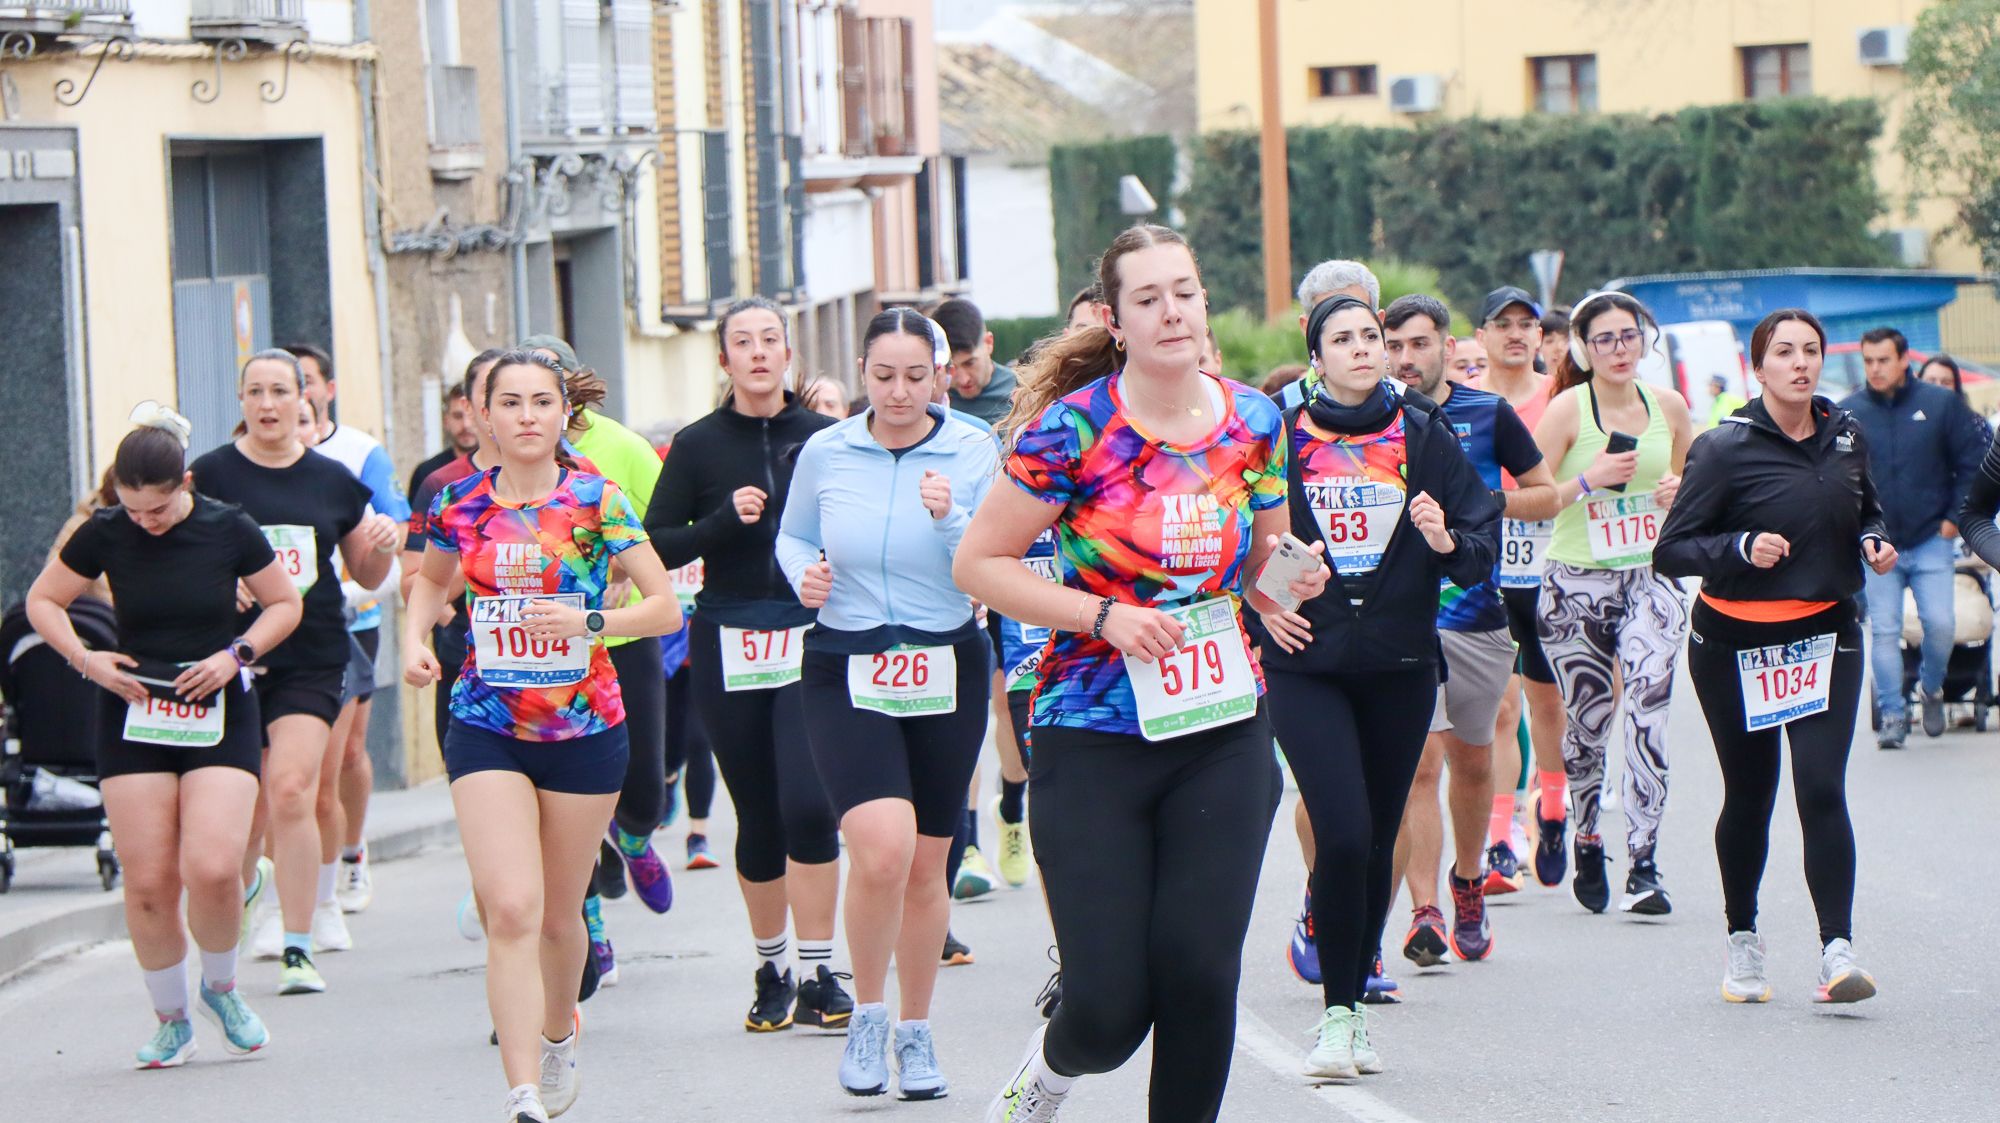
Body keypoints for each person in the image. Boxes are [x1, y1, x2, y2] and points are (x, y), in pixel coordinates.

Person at [958, 224, 1297, 1123]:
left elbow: (1263, 561)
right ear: (1115, 319)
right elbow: (981, 563)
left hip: (1221, 725)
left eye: (1184, 291)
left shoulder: (1255, 422)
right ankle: (1050, 1073)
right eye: (1148, 298)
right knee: (1110, 1010)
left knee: (1199, 976)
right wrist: (1105, 615)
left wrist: (1289, 583)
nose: (1171, 310)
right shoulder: (1072, 431)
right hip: (1092, 732)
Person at [403, 349, 681, 1123]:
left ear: (565, 414)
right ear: (482, 415)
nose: (526, 415)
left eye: (541, 401)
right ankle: (522, 1091)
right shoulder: (458, 503)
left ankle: (558, 1035)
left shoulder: (599, 500)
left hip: (584, 728)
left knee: (562, 913)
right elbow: (430, 581)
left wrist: (590, 620)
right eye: (510, 401)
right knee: (512, 907)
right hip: (487, 723)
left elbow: (665, 607)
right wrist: (415, 641)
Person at [1258, 293, 1496, 1077]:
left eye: (1374, 336)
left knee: (1378, 838)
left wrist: (1444, 537)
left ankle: (1354, 1004)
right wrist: (1265, 609)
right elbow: (1238, 538)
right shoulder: (1282, 435)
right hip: (1307, 663)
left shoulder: (1421, 432)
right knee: (1346, 831)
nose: (1365, 349)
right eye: (1346, 338)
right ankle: (1333, 1016)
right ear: (1316, 355)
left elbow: (1478, 540)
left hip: (1397, 664)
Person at [26, 403, 303, 1068]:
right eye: (132, 510)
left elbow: (284, 602)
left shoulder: (227, 527)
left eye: (155, 510)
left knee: (210, 867)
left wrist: (235, 654)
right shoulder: (107, 530)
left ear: (183, 486)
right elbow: (43, 600)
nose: (143, 523)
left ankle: (222, 987)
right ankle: (171, 1017)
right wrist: (87, 660)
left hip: (215, 706)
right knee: (148, 881)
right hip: (133, 708)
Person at [778, 308, 997, 1102]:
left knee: (928, 861)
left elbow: (986, 561)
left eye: (915, 376)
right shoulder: (826, 450)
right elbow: (795, 535)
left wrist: (949, 518)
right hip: (847, 659)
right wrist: (803, 576)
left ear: (940, 375)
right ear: (861, 372)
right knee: (880, 847)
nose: (899, 392)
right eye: (882, 376)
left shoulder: (974, 448)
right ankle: (865, 1013)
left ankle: (916, 1026)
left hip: (946, 660)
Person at [1657, 307, 1891, 1006]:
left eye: (1811, 351)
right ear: (1758, 367)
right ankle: (1743, 937)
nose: (1800, 363)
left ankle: (1836, 949)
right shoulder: (1723, 448)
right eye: (1784, 352)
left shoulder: (1846, 433)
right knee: (1752, 793)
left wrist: (1875, 540)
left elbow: (1867, 508)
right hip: (1735, 643)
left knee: (1821, 786)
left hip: (1825, 633)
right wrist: (1737, 547)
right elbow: (1672, 549)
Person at [643, 298, 852, 1032]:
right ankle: (773, 968)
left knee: (809, 802)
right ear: (725, 360)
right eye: (743, 341)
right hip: (729, 637)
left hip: (810, 637)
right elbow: (657, 544)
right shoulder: (696, 445)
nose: (759, 352)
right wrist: (722, 523)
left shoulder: (829, 438)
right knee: (758, 810)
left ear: (789, 353)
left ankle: (824, 969)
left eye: (770, 339)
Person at [192, 350, 399, 993]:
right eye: (254, 391)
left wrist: (380, 548)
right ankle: (251, 890)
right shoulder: (209, 474)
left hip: (312, 652)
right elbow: (181, 556)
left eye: (280, 390)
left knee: (291, 788)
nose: (268, 404)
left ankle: (298, 942)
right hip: (229, 659)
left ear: (302, 398)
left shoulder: (332, 481)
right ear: (242, 400)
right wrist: (218, 590)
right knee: (250, 798)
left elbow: (363, 574)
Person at [1379, 294, 1556, 969]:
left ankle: (1468, 879)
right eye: (1393, 346)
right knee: (1420, 764)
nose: (1404, 359)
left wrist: (1479, 504)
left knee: (1474, 760)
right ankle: (1425, 909)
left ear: (1448, 347)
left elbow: (1547, 491)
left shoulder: (1487, 414)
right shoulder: (1371, 422)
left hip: (1477, 613)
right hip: (1403, 619)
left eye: (1418, 344)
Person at [521, 335, 678, 982]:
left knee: (644, 789)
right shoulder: (499, 468)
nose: (532, 410)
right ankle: (588, 929)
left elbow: (669, 526)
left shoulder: (621, 448)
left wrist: (622, 564)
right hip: (542, 664)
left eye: (545, 392)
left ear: (570, 391)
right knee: (558, 811)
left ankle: (635, 836)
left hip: (621, 640)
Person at [1532, 291, 1694, 915]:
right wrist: (1587, 481)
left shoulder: (1671, 407)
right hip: (1576, 582)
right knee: (1589, 724)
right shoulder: (1568, 411)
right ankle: (1588, 833)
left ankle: (1645, 860)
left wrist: (1679, 493)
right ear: (1584, 349)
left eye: (1630, 336)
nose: (1620, 349)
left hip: (1650, 577)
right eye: (1605, 339)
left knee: (1650, 709)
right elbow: (1529, 496)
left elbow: (1695, 491)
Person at [288, 343, 412, 925]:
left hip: (351, 621)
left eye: (304, 382)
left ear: (323, 389)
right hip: (274, 639)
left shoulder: (358, 454)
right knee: (290, 774)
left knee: (348, 753)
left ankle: (350, 853)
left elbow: (394, 532)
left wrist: (358, 588)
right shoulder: (248, 464)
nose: (295, 395)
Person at [1837, 327, 1986, 746]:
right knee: (1884, 630)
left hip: (1930, 538)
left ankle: (1931, 688)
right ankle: (1893, 717)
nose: (1875, 369)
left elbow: (1972, 461)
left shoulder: (1940, 405)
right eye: (1868, 361)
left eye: (1883, 360)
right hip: (1878, 541)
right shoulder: (1850, 412)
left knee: (1940, 624)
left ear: (1904, 360)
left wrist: (1955, 517)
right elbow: (1838, 475)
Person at [1471, 286, 1571, 891]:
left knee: (1548, 705)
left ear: (1540, 337)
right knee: (1500, 708)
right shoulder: (1463, 403)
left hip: (1550, 563)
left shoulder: (1561, 401)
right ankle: (1501, 841)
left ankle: (1553, 809)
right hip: (1485, 568)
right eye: (1501, 323)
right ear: (1479, 336)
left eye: (1525, 324)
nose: (1514, 333)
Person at [1278, 259, 1381, 410]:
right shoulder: (1276, 415)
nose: (1359, 348)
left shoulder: (1415, 415)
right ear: (1307, 329)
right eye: (1330, 313)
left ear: (1380, 321)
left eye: (1357, 309)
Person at [937, 297, 1020, 428]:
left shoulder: (1023, 391)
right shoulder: (931, 401)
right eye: (950, 367)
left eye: (969, 363)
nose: (963, 379)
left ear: (988, 343)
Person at [408, 382, 482, 499]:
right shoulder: (427, 473)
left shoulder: (501, 469)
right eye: (457, 416)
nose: (466, 424)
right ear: (446, 421)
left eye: (471, 415)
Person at [1538, 308, 1571, 375]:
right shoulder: (1534, 384)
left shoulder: (1591, 384)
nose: (1558, 348)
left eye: (1566, 340)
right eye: (1549, 341)